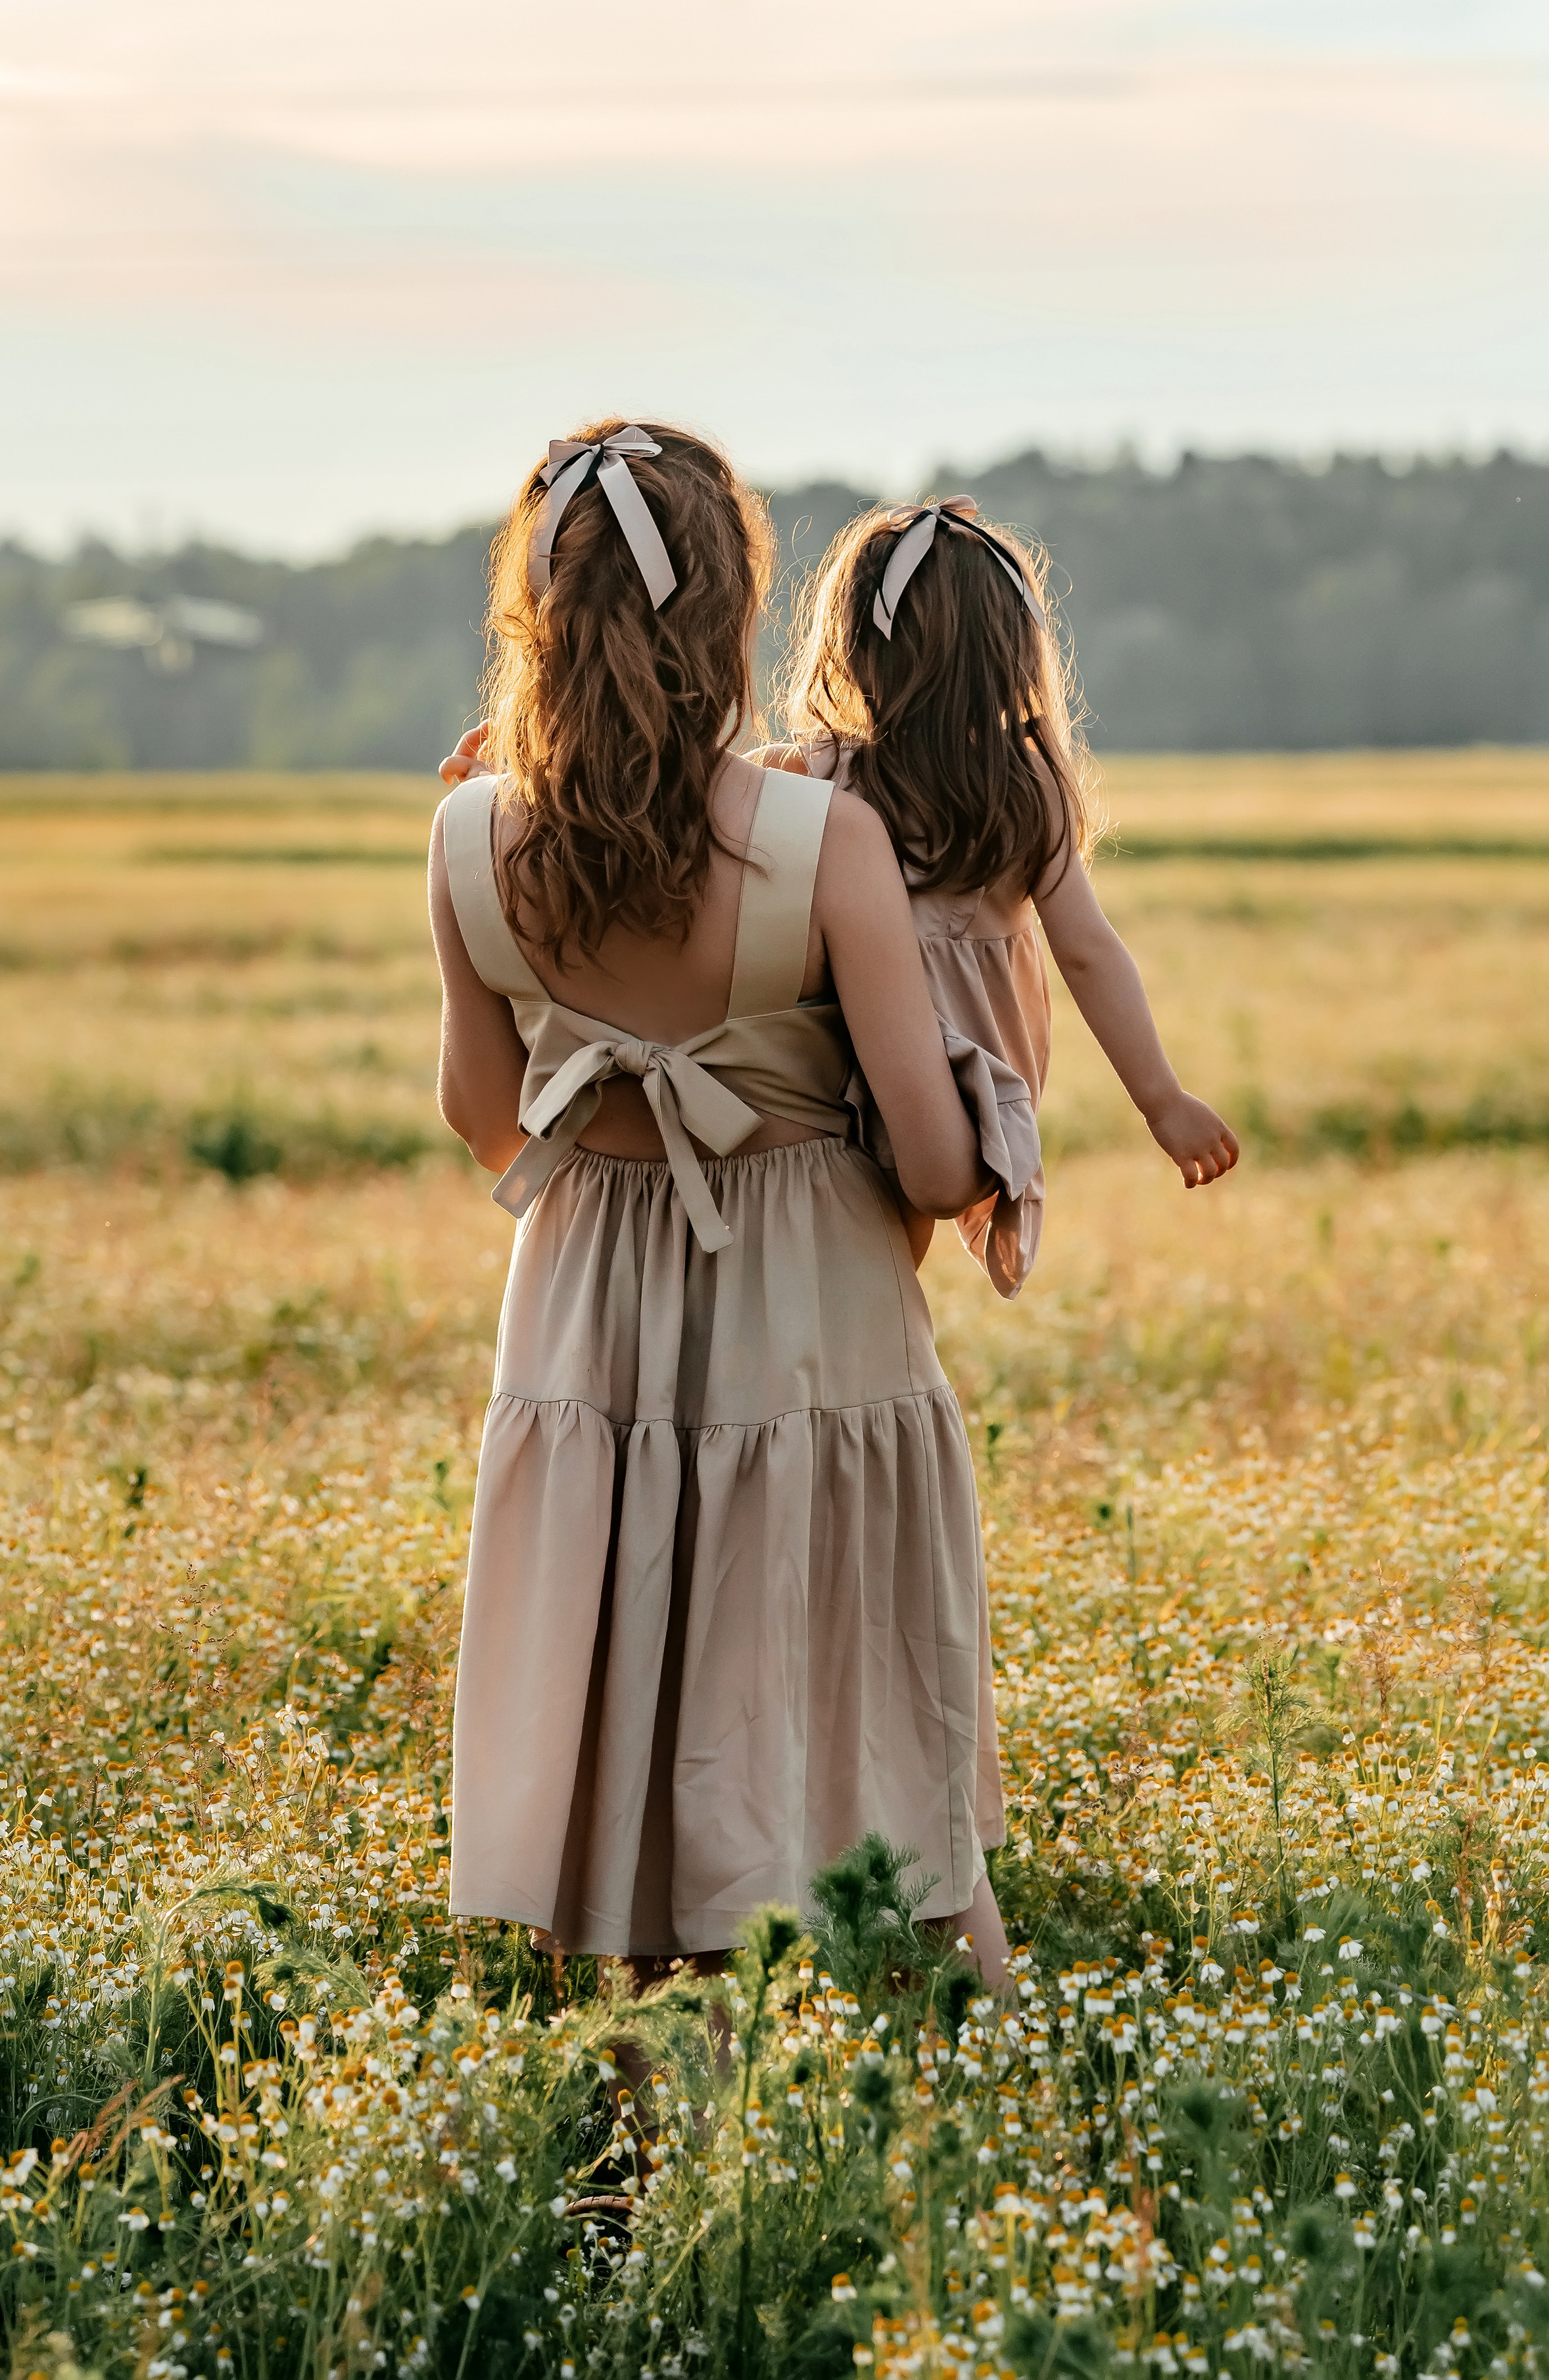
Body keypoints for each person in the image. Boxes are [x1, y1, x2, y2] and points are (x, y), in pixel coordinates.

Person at [429, 422, 1011, 1982]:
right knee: (874, 1722)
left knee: (628, 1690)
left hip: (582, 1313)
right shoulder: (822, 839)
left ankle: (644, 2117)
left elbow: (481, 1114)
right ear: (727, 608)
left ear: (533, 611)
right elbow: (936, 1156)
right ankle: (976, 2081)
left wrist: (613, 1134)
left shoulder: (468, 832)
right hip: (809, 1319)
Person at [762, 498, 1239, 1289]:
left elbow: (690, 809)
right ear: (1014, 650)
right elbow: (1088, 953)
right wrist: (1162, 1101)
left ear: (855, 648)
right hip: (963, 1087)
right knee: (885, 1265)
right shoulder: (1024, 785)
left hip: (835, 1060)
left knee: (855, 1262)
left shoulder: (814, 771)